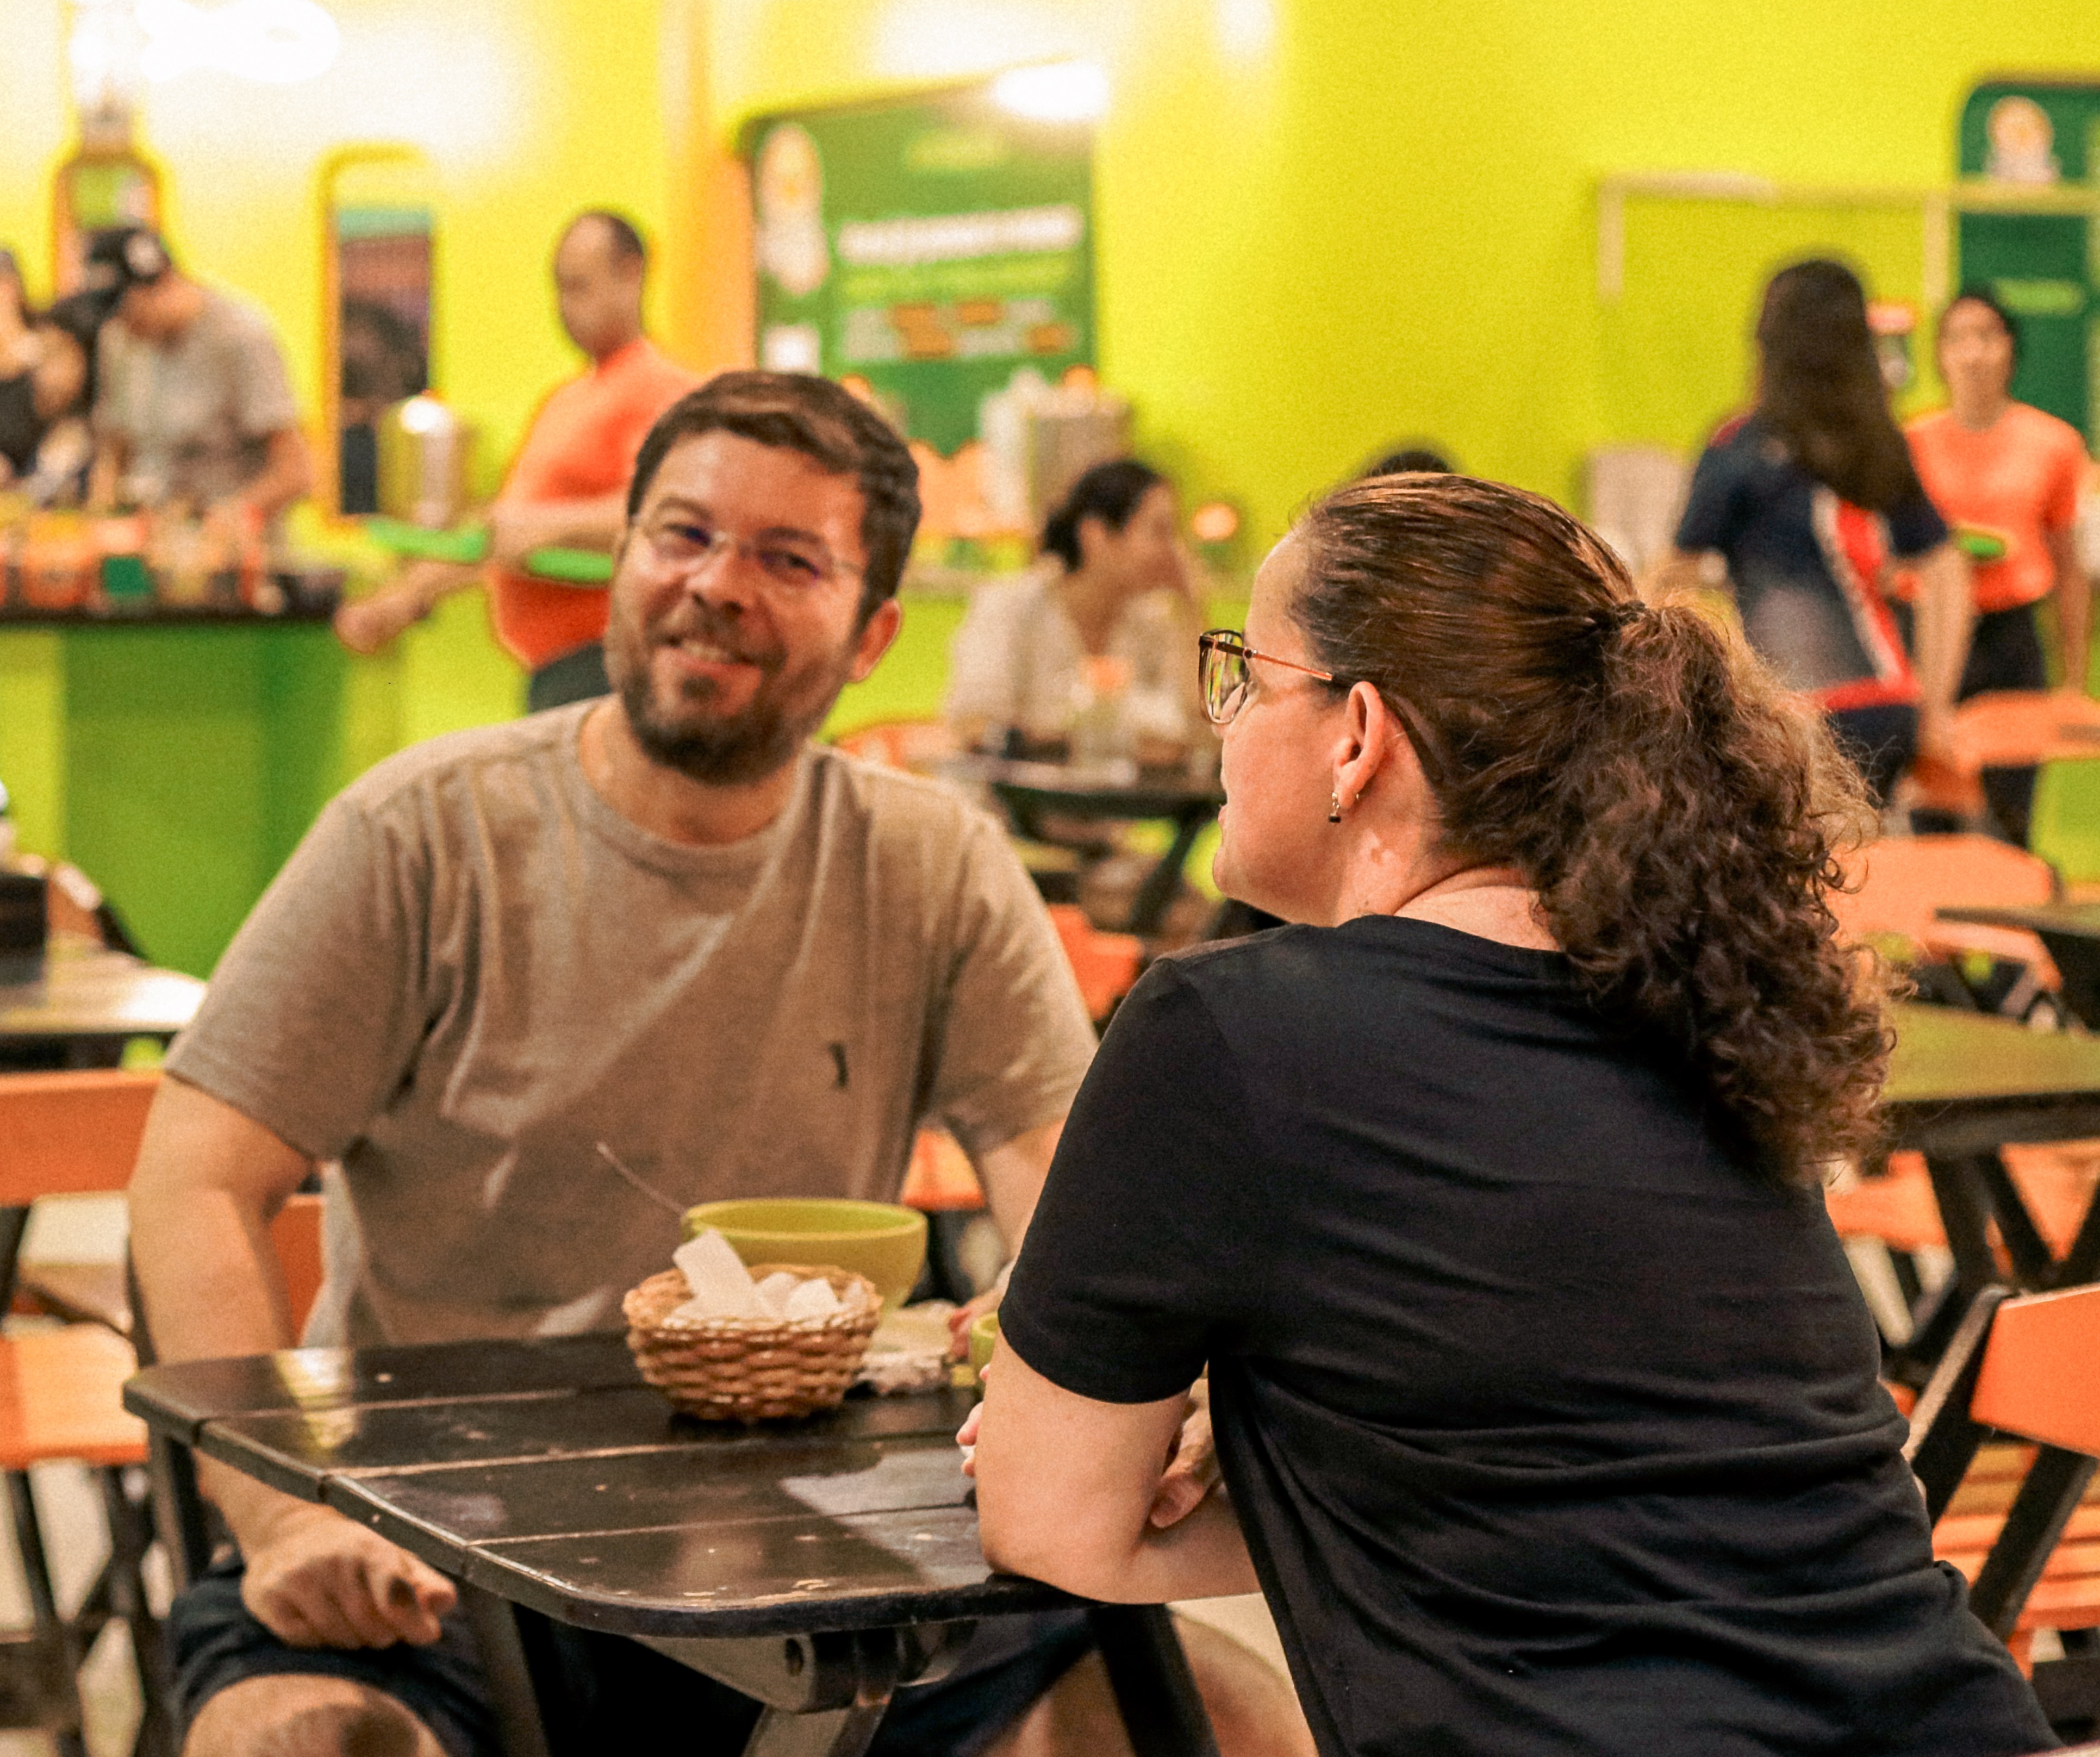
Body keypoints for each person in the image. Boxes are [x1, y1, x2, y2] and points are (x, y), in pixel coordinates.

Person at [129, 371, 1307, 1757]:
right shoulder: (421, 837)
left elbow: (1069, 1201)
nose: (716, 585)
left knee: (1229, 1727)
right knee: (292, 1738)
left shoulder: (931, 864)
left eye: (787, 558)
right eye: (681, 534)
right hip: (442, 1543)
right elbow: (193, 1180)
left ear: (874, 632)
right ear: (621, 561)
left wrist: (1133, 1393)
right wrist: (280, 1521)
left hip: (834, 1551)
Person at [965, 473, 2051, 1757]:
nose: (1225, 722)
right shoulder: (1712, 1007)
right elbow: (1653, 1475)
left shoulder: (1223, 1034)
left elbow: (1049, 1519)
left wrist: (1287, 1467)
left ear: (1357, 734)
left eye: (1244, 676)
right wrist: (1341, 1455)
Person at [334, 210, 699, 712]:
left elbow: (674, 517)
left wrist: (549, 525)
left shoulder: (664, 391)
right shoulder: (565, 400)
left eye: (580, 285)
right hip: (551, 671)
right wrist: (406, 597)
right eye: (559, 288)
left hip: (613, 670)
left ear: (631, 274)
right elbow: (500, 533)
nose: (567, 305)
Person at [1660, 257, 1968, 805]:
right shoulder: (1877, 444)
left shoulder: (1738, 447)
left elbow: (1668, 581)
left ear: (1768, 341)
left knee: (1807, 878)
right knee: (1865, 871)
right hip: (1888, 703)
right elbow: (1948, 569)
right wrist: (1936, 704)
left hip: (1792, 714)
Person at [1906, 285, 2092, 846]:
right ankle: (1936, 937)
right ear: (1938, 354)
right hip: (1930, 637)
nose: (1972, 352)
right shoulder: (1909, 443)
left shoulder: (2053, 443)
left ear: (2009, 348)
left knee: (2012, 813)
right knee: (1931, 812)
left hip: (2011, 635)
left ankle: (2012, 930)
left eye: (1986, 336)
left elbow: (2068, 565)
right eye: (1956, 337)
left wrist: (2074, 679)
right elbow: (1886, 552)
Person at [943, 458, 1201, 752]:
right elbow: (974, 722)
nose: (1174, 551)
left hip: (1125, 798)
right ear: (1096, 536)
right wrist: (1083, 743)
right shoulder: (1011, 607)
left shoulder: (1151, 622)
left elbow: (1200, 727)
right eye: (1160, 532)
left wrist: (1191, 604)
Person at [85, 223, 314, 518]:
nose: (124, 325)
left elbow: (296, 473)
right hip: (148, 533)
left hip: (227, 543)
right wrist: (101, 515)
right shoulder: (118, 341)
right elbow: (114, 448)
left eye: (128, 312)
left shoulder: (240, 337)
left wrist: (232, 516)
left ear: (165, 284)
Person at [0, 240, 88, 499]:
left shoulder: (54, 365)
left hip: (34, 516)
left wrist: (10, 483)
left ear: (6, 289)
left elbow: (68, 453)